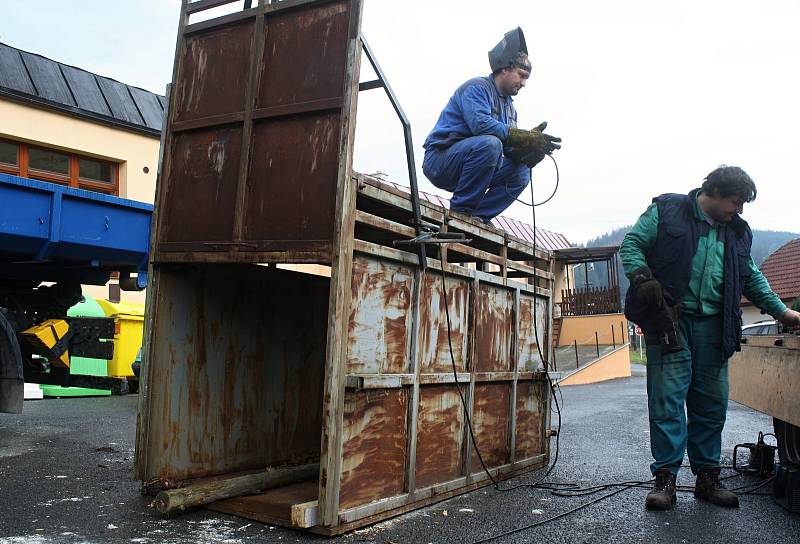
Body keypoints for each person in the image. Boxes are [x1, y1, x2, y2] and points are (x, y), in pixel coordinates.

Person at [620, 165, 800, 511]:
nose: (740, 210)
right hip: (670, 321)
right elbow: (632, 245)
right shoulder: (667, 210)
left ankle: (707, 478)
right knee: (667, 402)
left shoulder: (737, 232)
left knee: (711, 405)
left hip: (715, 328)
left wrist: (783, 312)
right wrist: (643, 279)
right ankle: (665, 481)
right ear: (714, 193)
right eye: (736, 201)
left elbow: (750, 276)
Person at [421, 27, 561, 224]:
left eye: (526, 78)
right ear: (504, 68)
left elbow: (507, 145)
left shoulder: (511, 110)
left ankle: (479, 217)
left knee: (521, 171)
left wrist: (526, 151)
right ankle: (461, 213)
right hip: (441, 160)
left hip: (474, 163)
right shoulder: (477, 88)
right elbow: (481, 125)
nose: (524, 83)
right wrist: (521, 136)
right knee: (490, 144)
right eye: (521, 75)